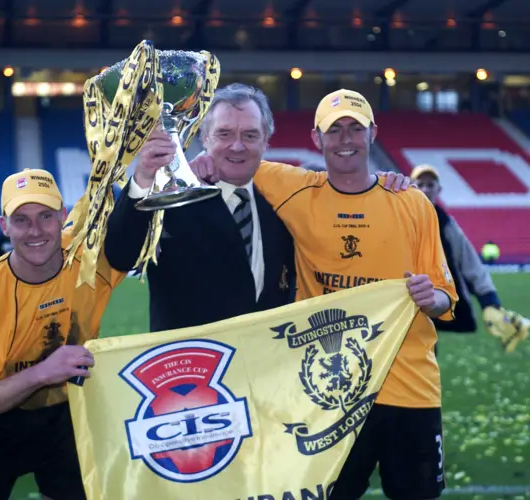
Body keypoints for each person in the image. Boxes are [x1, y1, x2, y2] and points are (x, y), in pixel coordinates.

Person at [193, 88, 458, 500]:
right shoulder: (291, 187)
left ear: (373, 133)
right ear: (317, 139)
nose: (346, 139)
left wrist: (431, 297)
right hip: (329, 393)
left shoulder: (411, 202)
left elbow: (445, 295)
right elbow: (234, 161)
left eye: (355, 128)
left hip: (409, 385)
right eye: (334, 130)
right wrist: (202, 163)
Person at [0, 168, 125, 500]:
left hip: (64, 418)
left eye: (45, 216)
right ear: (4, 226)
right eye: (21, 219)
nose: (35, 230)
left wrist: (150, 172)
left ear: (63, 217)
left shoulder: (87, 259)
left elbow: (134, 229)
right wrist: (42, 373)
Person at [104, 84, 298, 332]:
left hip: (267, 363)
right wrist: (143, 178)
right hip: (192, 366)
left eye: (250, 135)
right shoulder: (173, 200)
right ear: (205, 138)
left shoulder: (283, 206)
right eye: (224, 134)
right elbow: (121, 255)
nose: (237, 146)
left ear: (266, 141)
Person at [411, 164, 528, 352]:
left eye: (430, 185)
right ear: (412, 187)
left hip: (432, 304)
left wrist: (490, 302)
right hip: (400, 305)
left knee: (426, 360)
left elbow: (469, 262)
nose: (425, 189)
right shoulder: (400, 218)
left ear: (438, 189)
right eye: (421, 184)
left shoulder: (446, 224)